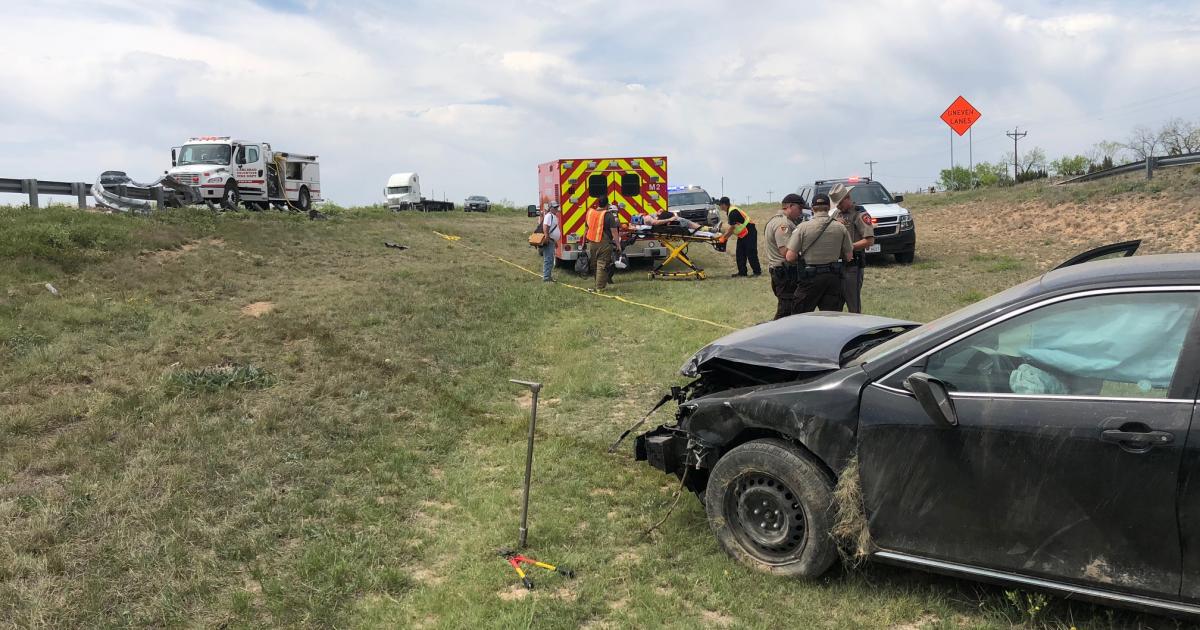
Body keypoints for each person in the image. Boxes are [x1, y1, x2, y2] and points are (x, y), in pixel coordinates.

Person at [785, 197, 853, 313]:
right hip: (833, 278)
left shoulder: (802, 227)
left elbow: (790, 257)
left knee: (801, 317)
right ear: (829, 208)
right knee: (832, 318)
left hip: (810, 278)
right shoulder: (840, 227)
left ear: (812, 208)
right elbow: (849, 256)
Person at [827, 183, 875, 313]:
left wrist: (849, 247)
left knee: (853, 304)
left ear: (847, 198)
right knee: (835, 304)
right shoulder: (836, 214)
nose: (838, 206)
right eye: (836, 204)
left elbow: (869, 240)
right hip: (836, 265)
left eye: (840, 203)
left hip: (853, 266)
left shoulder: (859, 214)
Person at [765, 194, 807, 319]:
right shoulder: (783, 224)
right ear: (790, 206)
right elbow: (786, 252)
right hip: (785, 273)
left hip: (781, 271)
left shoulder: (776, 220)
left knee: (789, 309)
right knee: (786, 311)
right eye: (799, 208)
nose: (801, 212)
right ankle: (775, 335)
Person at [718, 196, 761, 277]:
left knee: (751, 252)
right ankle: (742, 272)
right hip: (743, 233)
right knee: (740, 253)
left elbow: (732, 228)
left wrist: (724, 238)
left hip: (750, 231)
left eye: (720, 205)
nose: (720, 207)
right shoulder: (730, 210)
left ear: (724, 205)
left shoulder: (732, 211)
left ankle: (757, 272)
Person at [584, 200, 621, 292]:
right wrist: (618, 245)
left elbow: (586, 229)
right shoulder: (608, 215)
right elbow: (614, 232)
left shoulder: (590, 213)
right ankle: (599, 288)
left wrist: (583, 242)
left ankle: (597, 284)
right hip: (603, 243)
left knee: (594, 264)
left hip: (592, 242)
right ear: (607, 205)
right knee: (602, 264)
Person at [540, 203, 562, 282]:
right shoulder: (549, 216)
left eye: (557, 207)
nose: (557, 209)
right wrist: (547, 238)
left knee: (550, 259)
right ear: (551, 208)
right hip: (549, 240)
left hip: (552, 240)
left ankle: (548, 277)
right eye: (555, 207)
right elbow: (545, 227)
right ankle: (546, 278)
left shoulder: (553, 216)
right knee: (548, 259)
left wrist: (554, 241)